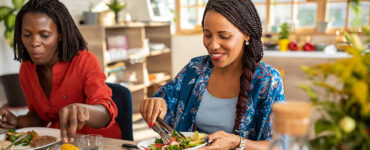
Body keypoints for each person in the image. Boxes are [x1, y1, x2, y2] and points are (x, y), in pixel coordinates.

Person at [140, 0, 285, 149]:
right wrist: (155, 104)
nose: (213, 45)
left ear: (247, 35)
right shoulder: (195, 69)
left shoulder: (268, 81)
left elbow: (280, 145)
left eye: (224, 36)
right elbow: (163, 108)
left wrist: (237, 142)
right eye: (207, 35)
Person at [0, 0, 121, 143]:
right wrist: (17, 121)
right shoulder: (27, 68)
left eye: (44, 35)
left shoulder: (84, 61)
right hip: (56, 142)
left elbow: (106, 113)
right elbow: (38, 116)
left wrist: (83, 110)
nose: (34, 43)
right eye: (27, 35)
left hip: (95, 143)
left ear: (60, 35)